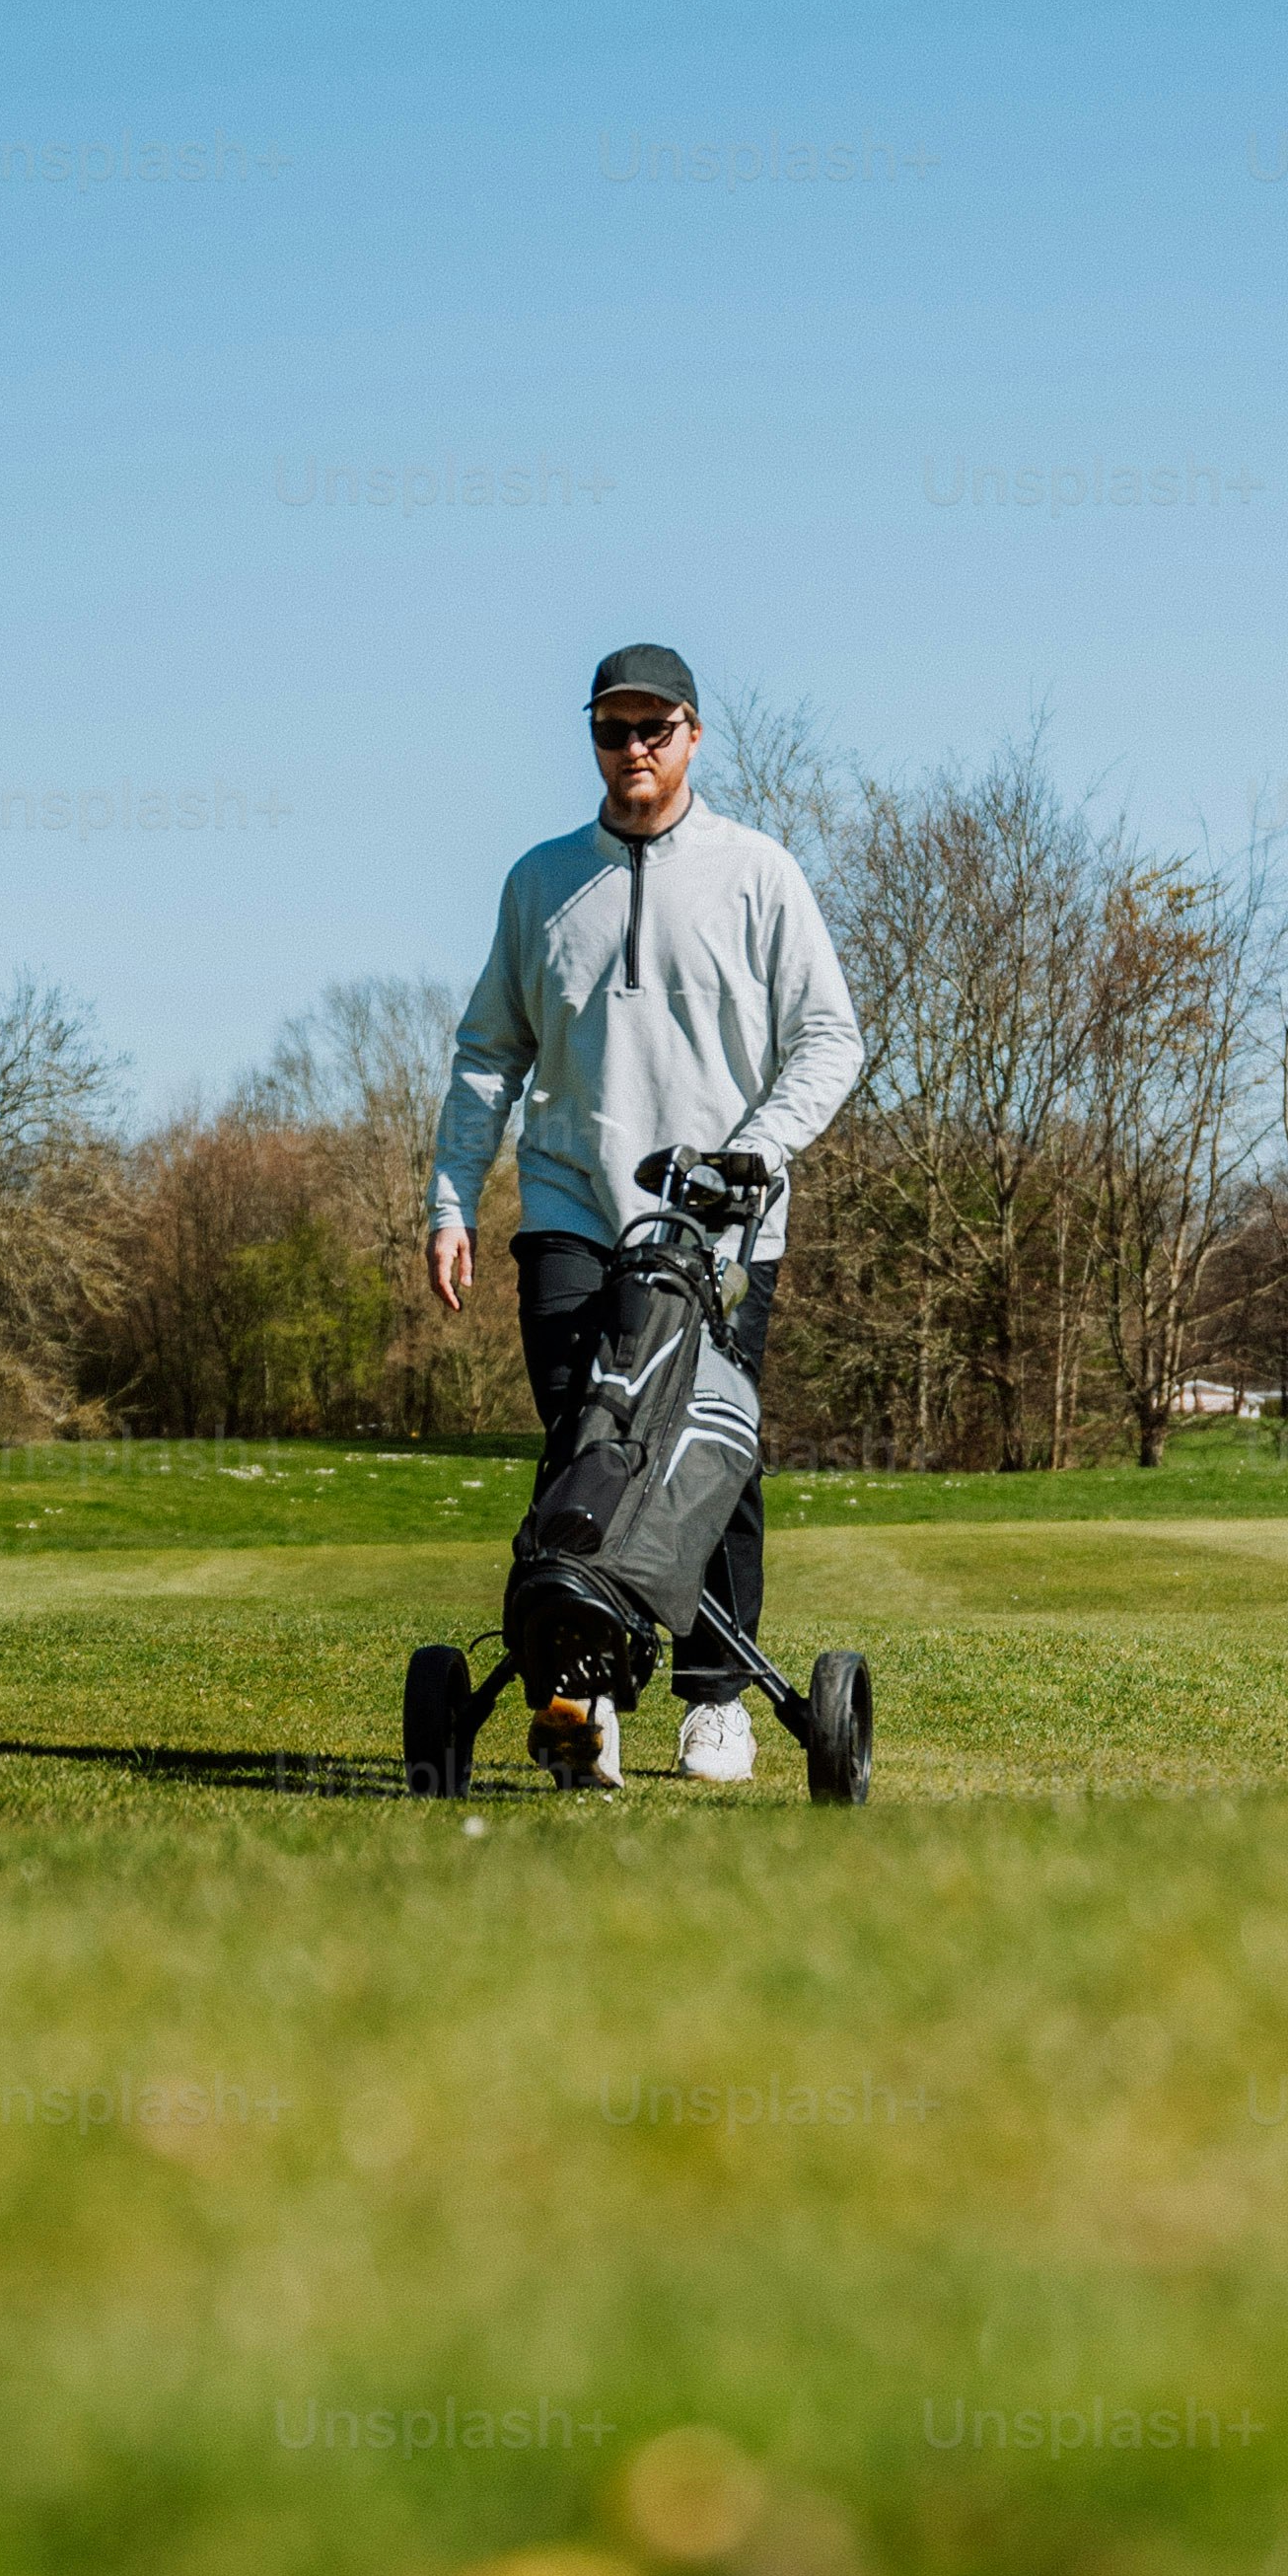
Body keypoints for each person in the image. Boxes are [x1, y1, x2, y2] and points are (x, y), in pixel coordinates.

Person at [427, 642, 862, 1788]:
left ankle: (715, 1700)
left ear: (693, 736)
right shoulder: (539, 882)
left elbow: (831, 1038)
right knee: (585, 1434)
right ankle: (582, 1692)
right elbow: (488, 1057)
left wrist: (755, 1152)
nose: (632, 751)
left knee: (710, 1450)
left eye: (653, 729)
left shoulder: (760, 874)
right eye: (612, 731)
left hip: (719, 1228)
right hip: (573, 1205)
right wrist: (450, 1198)